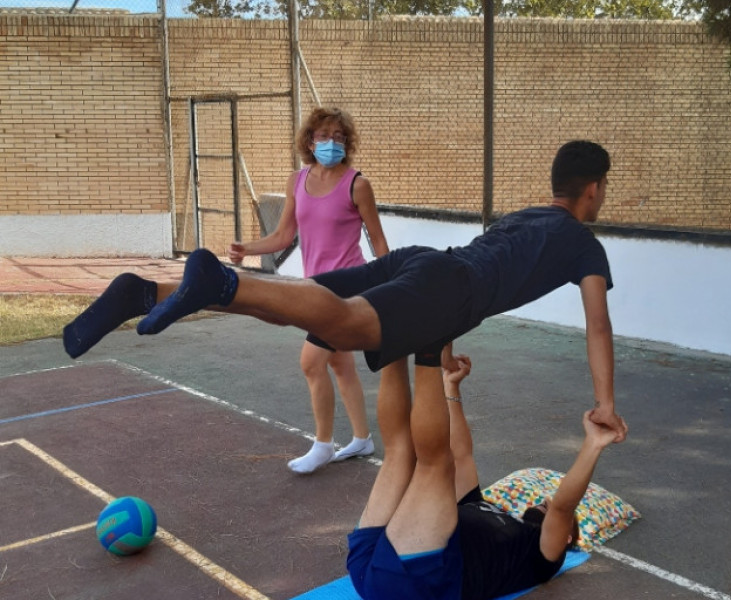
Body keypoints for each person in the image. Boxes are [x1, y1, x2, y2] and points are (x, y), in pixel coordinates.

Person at [62, 140, 625, 438]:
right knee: (341, 323)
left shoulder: (525, 216)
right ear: (593, 190)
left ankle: (147, 292)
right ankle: (221, 282)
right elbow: (597, 324)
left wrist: (446, 349)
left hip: (421, 264)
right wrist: (604, 403)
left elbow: (474, 276)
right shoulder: (582, 243)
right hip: (447, 287)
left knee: (298, 312)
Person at [347, 346, 623, 600]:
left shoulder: (541, 557)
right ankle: (393, 345)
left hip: (412, 585)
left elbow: (564, 507)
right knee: (400, 452)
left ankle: (428, 346)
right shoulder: (480, 505)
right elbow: (463, 453)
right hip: (368, 565)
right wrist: (450, 386)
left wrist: (593, 445)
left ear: (565, 539)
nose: (545, 501)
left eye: (546, 506)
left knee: (435, 465)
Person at [227, 107, 389, 473]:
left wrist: (392, 286)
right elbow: (285, 236)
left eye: (338, 136)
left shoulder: (357, 184)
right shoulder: (297, 181)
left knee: (311, 361)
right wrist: (246, 249)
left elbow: (378, 241)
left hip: (348, 287)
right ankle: (362, 439)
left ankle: (323, 444)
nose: (330, 142)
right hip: (314, 286)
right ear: (309, 140)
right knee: (339, 364)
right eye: (323, 136)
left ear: (346, 142)